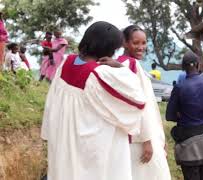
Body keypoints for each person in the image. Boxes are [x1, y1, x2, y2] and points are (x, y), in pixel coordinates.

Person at [41, 21, 146, 180]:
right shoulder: (100, 74)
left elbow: (51, 105)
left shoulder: (66, 62)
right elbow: (138, 99)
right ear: (107, 49)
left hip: (64, 143)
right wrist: (119, 67)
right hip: (91, 150)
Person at [117, 25, 171, 180]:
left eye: (144, 43)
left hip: (139, 137)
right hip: (140, 140)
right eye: (136, 43)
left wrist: (159, 138)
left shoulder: (125, 64)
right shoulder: (131, 66)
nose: (141, 47)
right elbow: (138, 106)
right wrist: (147, 140)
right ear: (125, 43)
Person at [166, 50, 203, 180]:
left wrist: (181, 114)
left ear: (183, 68)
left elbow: (169, 116)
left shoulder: (179, 87)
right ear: (198, 65)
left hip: (188, 145)